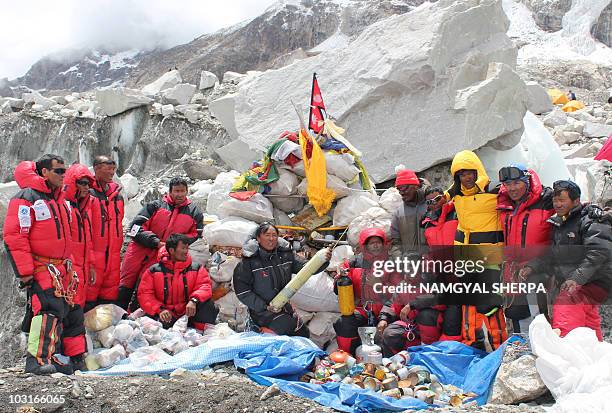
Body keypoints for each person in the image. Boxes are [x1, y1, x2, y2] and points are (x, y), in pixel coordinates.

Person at [3, 155, 79, 374]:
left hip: (59, 268)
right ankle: (35, 360)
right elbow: (15, 236)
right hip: (41, 266)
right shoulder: (27, 198)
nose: (64, 175)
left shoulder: (58, 199)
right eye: (59, 171)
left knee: (59, 310)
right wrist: (25, 273)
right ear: (44, 172)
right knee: (46, 309)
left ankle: (48, 355)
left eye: (65, 171)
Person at [521, 180, 611, 340]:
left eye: (562, 200)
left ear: (576, 201)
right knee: (588, 322)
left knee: (566, 305)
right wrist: (532, 266)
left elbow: (599, 252)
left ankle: (563, 348)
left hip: (595, 281)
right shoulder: (560, 223)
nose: (557, 204)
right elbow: (553, 255)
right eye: (555, 200)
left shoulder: (591, 220)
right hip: (580, 284)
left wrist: (576, 278)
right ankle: (597, 354)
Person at [445, 150, 507, 351]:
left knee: (490, 305)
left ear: (477, 171)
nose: (467, 177)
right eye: (462, 174)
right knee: (468, 303)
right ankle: (472, 343)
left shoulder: (495, 192)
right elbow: (445, 195)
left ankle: (500, 346)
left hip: (490, 258)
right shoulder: (457, 195)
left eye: (470, 172)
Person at [118, 177, 203, 310]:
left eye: (182, 191)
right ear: (170, 191)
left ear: (187, 191)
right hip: (139, 250)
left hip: (163, 255)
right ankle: (118, 313)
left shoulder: (194, 212)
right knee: (125, 283)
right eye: (176, 191)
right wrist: (155, 242)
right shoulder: (155, 205)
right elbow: (135, 227)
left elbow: (196, 233)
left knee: (146, 287)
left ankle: (135, 317)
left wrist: (173, 244)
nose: (179, 194)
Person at [233, 222, 331, 337]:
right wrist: (265, 306)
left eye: (274, 235)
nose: (271, 239)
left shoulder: (285, 255)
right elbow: (243, 292)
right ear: (258, 238)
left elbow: (306, 269)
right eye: (267, 235)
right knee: (287, 328)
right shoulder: (249, 262)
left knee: (303, 333)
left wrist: (323, 261)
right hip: (262, 312)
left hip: (283, 306)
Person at [496, 164, 554, 333]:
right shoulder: (504, 204)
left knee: (538, 316)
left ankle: (542, 349)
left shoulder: (547, 201)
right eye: (508, 184)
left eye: (517, 183)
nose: (512, 189)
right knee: (515, 313)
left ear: (527, 180)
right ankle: (522, 350)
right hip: (513, 270)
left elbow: (571, 209)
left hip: (539, 269)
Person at [333, 228, 400, 355]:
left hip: (386, 310)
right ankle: (346, 356)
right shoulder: (354, 262)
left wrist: (379, 285)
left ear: (384, 244)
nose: (375, 245)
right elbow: (338, 289)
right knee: (344, 322)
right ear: (365, 246)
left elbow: (398, 293)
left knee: (391, 332)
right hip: (362, 309)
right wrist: (340, 278)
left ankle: (390, 361)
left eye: (378, 242)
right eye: (371, 243)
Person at [137, 233, 218, 330]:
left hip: (189, 312)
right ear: (171, 250)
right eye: (183, 248)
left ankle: (200, 332)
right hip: (167, 315)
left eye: (187, 248)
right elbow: (145, 294)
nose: (186, 252)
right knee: (157, 326)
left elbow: (204, 286)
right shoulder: (153, 271)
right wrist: (160, 309)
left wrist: (194, 301)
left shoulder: (196, 268)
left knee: (209, 305)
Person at [60, 163, 97, 370]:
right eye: (82, 183)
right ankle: (61, 354)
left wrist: (90, 265)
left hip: (79, 269)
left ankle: (74, 356)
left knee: (75, 311)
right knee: (66, 311)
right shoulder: (65, 207)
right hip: (69, 269)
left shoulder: (82, 209)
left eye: (88, 184)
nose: (86, 187)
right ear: (72, 184)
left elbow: (87, 242)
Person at [87, 156, 124, 311]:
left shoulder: (118, 197)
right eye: (108, 168)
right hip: (94, 257)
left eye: (113, 169)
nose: (111, 172)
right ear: (96, 168)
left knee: (108, 302)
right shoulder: (87, 194)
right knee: (88, 299)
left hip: (113, 257)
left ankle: (104, 334)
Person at [390, 169, 429, 256]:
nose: (401, 193)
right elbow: (395, 243)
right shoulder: (398, 213)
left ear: (415, 186)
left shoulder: (431, 205)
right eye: (398, 189)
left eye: (404, 188)